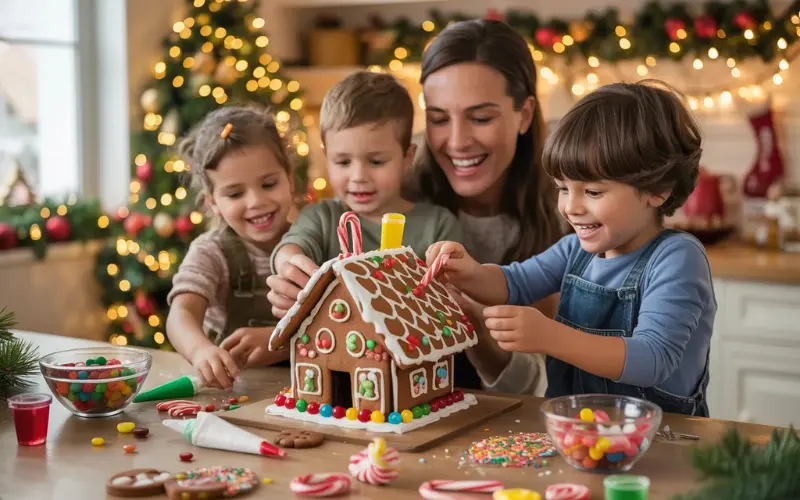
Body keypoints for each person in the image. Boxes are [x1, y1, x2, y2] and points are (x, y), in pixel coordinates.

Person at [427, 81, 715, 416]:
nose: (570, 207)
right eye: (563, 188)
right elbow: (513, 284)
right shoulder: (574, 251)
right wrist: (470, 273)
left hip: (664, 442)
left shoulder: (677, 258)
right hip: (577, 432)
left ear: (657, 190)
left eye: (592, 192)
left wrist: (550, 336)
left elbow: (652, 359)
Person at [407, 19, 564, 395]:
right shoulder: (399, 196)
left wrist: (477, 329)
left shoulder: (570, 215)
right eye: (438, 119)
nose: (457, 142)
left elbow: (552, 385)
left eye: (480, 118)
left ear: (524, 115)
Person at [266, 71, 462, 316]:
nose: (358, 176)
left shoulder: (438, 226)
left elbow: (451, 303)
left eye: (376, 161)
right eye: (343, 162)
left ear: (407, 157)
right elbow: (292, 247)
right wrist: (289, 265)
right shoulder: (321, 218)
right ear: (327, 158)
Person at [166, 106, 295, 390]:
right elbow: (181, 315)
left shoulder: (314, 240)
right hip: (232, 393)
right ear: (213, 203)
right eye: (235, 193)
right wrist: (200, 350)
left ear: (290, 179)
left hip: (305, 395)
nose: (256, 201)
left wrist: (278, 340)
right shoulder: (211, 252)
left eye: (269, 184)